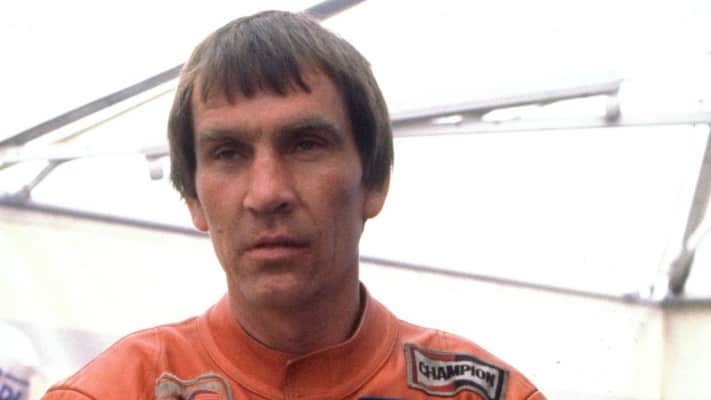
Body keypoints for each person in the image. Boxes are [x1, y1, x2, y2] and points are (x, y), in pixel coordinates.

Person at [42, 10, 544, 400]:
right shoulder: (114, 391)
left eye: (305, 145)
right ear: (194, 199)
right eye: (228, 153)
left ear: (373, 181)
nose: (267, 194)